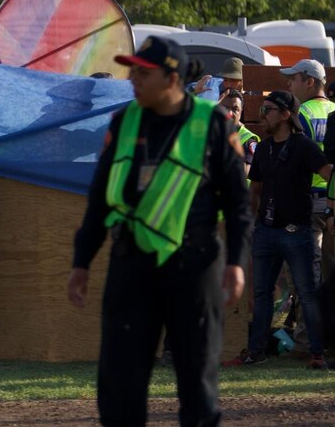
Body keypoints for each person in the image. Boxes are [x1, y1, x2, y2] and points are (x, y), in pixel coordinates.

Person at [67, 36, 252, 426]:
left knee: (197, 382)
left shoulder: (214, 125)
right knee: (119, 384)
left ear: (170, 78)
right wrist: (81, 262)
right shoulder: (123, 122)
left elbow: (237, 203)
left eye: (141, 72)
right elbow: (100, 199)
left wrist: (236, 262)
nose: (131, 78)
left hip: (196, 264)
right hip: (131, 263)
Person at [223, 91, 330, 370]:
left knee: (307, 292)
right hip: (266, 231)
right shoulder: (265, 148)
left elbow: (329, 172)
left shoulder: (303, 146)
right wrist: (248, 224)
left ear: (285, 114)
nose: (262, 116)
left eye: (267, 110)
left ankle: (317, 353)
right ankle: (256, 351)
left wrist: (331, 206)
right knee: (261, 294)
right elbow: (255, 190)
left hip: (298, 231)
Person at [283, 58, 334, 287]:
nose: (289, 85)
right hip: (333, 198)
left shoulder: (302, 113)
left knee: (307, 271)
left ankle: (310, 323)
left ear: (310, 82)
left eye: (293, 79)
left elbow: (294, 158)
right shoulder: (334, 110)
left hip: (310, 202)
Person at [219, 89, 259, 173]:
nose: (229, 113)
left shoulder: (248, 139)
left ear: (241, 112)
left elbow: (244, 174)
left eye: (235, 109)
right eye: (225, 108)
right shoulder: (210, 133)